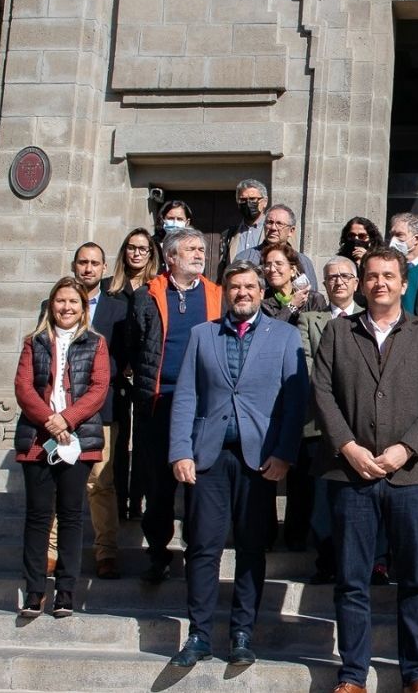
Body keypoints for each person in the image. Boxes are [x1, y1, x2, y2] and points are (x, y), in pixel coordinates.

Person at [311, 246, 418, 693]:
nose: (380, 284)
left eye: (389, 276)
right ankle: (353, 674)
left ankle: (416, 674)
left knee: (415, 579)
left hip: (412, 476)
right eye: (372, 276)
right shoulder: (338, 332)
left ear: (403, 283)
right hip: (352, 474)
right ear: (361, 282)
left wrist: (405, 449)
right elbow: (322, 392)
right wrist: (348, 447)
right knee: (352, 580)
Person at [166, 262, 310, 667]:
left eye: (250, 286)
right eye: (235, 287)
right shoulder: (202, 334)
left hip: (259, 459)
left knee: (251, 548)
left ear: (262, 292)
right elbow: (187, 397)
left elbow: (294, 401)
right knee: (202, 547)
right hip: (208, 457)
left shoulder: (284, 336)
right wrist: (180, 451)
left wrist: (284, 454)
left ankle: (242, 633)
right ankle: (198, 634)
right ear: (224, 292)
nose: (242, 293)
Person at [129, 227, 223, 583]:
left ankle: (198, 554)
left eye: (201, 248)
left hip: (203, 407)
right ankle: (158, 554)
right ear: (170, 257)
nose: (200, 254)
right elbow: (136, 344)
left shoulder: (217, 295)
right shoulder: (147, 296)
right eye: (191, 250)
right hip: (158, 402)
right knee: (158, 486)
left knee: (199, 483)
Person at [13, 277, 110, 619]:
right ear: (51, 305)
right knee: (38, 518)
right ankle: (35, 590)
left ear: (83, 308)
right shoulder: (34, 342)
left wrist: (67, 419)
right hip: (38, 439)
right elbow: (24, 387)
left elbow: (98, 388)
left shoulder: (96, 343)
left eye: (73, 302)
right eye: (60, 301)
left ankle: (66, 592)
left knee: (71, 517)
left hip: (78, 439)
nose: (66, 308)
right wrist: (48, 420)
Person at [289, 256, 359, 580]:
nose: (339, 282)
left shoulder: (368, 319)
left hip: (362, 424)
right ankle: (326, 560)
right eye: (332, 277)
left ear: (357, 282)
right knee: (322, 499)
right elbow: (308, 366)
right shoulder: (310, 319)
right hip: (319, 423)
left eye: (346, 276)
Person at [65, 242, 129, 579]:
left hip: (101, 409)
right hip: (60, 410)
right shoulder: (56, 304)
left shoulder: (118, 309)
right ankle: (51, 549)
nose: (88, 268)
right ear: (74, 265)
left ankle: (106, 551)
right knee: (58, 478)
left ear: (104, 268)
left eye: (94, 263)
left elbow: (122, 358)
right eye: (82, 262)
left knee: (100, 481)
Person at [108, 228, 159, 522]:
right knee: (117, 441)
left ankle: (136, 501)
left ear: (151, 253)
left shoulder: (156, 289)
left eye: (143, 248)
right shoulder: (110, 289)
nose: (136, 253)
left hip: (143, 376)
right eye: (131, 247)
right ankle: (117, 500)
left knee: (141, 443)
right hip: (115, 374)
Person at [237, 205, 321, 293]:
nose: (273, 228)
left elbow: (312, 298)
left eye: (279, 224)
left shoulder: (303, 262)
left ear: (291, 231)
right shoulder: (245, 258)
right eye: (269, 222)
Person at [259, 240, 327, 325]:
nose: (272, 269)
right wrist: (292, 306)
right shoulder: (263, 301)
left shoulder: (314, 299)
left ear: (293, 270)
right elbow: (269, 330)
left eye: (279, 264)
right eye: (268, 265)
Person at [216, 178, 269, 278]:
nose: (248, 203)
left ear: (265, 202)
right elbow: (223, 271)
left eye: (253, 199)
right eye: (243, 200)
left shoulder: (274, 230)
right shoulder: (228, 235)